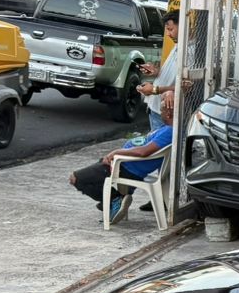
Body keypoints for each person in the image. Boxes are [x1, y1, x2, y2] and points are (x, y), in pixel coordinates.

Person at [68, 87, 175, 223]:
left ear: (169, 113)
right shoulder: (168, 129)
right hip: (125, 164)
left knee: (75, 178)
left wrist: (116, 152)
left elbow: (143, 152)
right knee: (97, 168)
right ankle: (113, 200)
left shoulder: (169, 131)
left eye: (162, 110)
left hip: (126, 168)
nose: (160, 113)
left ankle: (114, 199)